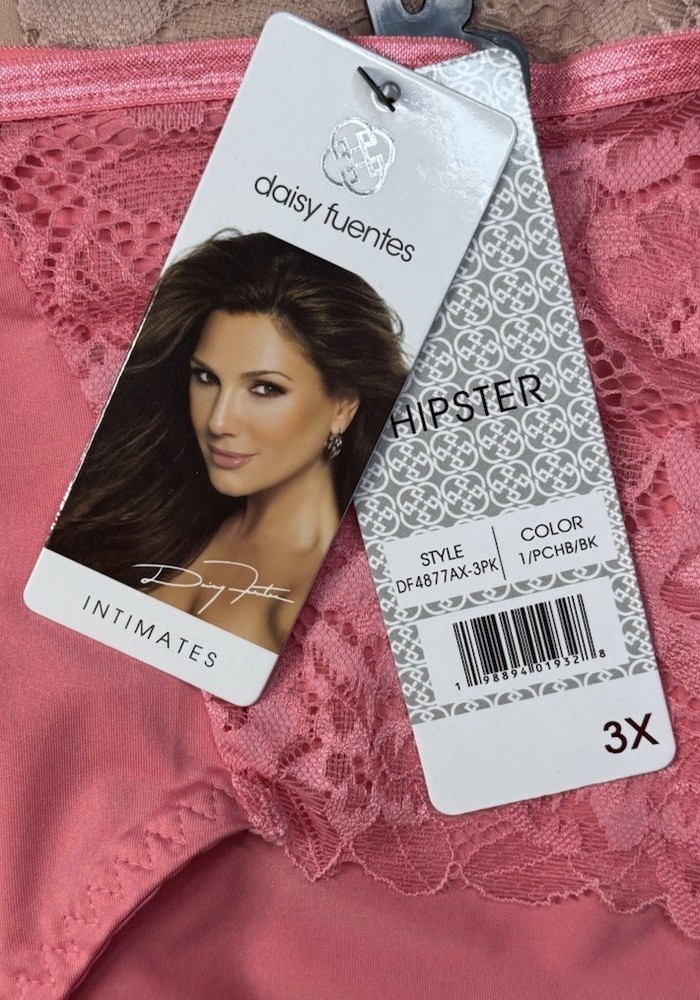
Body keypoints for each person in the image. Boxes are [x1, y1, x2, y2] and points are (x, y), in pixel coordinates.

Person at [49, 232, 408, 652]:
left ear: (343, 406)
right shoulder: (145, 513)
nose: (218, 421)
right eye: (206, 377)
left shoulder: (339, 609)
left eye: (265, 388)